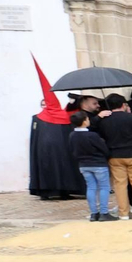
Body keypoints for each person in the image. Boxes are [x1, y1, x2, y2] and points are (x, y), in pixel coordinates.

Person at [94, 93, 132, 220]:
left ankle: (123, 213)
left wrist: (98, 117)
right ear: (123, 105)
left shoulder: (104, 120)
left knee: (119, 185)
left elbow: (94, 130)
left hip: (114, 156)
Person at [29, 63, 85, 201]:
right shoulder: (62, 116)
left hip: (44, 151)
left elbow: (34, 139)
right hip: (62, 150)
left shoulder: (38, 118)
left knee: (48, 168)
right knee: (63, 168)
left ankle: (47, 191)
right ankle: (64, 190)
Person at [69, 112, 112, 221]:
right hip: (98, 163)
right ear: (84, 121)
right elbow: (104, 149)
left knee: (91, 187)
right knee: (104, 187)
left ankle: (94, 213)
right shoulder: (92, 135)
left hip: (83, 164)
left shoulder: (72, 135)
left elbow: (72, 150)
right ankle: (104, 212)